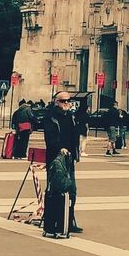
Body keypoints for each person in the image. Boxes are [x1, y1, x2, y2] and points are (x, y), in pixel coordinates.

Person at [42, 90, 82, 234]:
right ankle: (53, 221)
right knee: (55, 190)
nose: (67, 103)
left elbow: (75, 135)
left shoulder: (71, 117)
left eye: (68, 100)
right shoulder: (50, 117)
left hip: (69, 159)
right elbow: (50, 138)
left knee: (72, 190)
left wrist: (76, 151)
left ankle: (68, 221)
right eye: (64, 101)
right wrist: (60, 148)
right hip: (55, 160)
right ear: (56, 102)